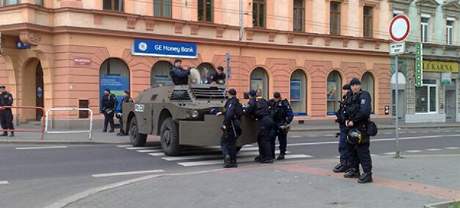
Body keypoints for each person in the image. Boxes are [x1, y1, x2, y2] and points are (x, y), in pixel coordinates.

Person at [343, 78, 373, 183]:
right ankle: (354, 170)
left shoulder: (364, 95)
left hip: (362, 128)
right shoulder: (350, 96)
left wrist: (353, 121)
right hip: (350, 128)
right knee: (351, 150)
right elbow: (345, 110)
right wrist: (345, 119)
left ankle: (368, 174)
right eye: (353, 85)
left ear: (360, 85)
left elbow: (364, 112)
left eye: (357, 84)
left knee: (362, 151)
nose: (355, 87)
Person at [245, 90, 276, 163]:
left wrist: (246, 111)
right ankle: (262, 156)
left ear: (249, 95)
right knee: (261, 139)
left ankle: (268, 158)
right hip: (268, 120)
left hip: (263, 121)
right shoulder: (262, 100)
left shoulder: (252, 101)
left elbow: (249, 110)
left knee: (264, 140)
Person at [218, 88, 243, 168]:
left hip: (231, 125)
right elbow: (239, 112)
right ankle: (233, 162)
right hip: (237, 125)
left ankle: (227, 157)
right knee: (232, 144)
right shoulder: (237, 102)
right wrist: (222, 112)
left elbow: (229, 114)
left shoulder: (231, 102)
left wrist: (225, 124)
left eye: (227, 93)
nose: (226, 94)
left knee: (224, 142)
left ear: (229, 94)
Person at [333, 84, 353, 173]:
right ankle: (343, 163)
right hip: (343, 127)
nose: (344, 92)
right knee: (342, 146)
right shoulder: (345, 100)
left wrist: (342, 118)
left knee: (345, 146)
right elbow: (341, 113)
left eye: (346, 90)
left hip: (347, 127)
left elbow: (348, 114)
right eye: (343, 90)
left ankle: (346, 164)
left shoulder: (350, 101)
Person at [269, 92, 294, 160]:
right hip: (273, 124)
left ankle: (282, 154)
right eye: (275, 98)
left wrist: (286, 123)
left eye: (276, 98)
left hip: (281, 124)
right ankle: (272, 154)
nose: (275, 99)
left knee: (282, 141)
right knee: (271, 140)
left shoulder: (284, 103)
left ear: (279, 97)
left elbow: (290, 115)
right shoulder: (271, 102)